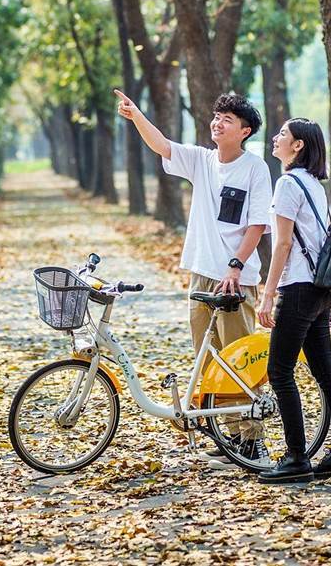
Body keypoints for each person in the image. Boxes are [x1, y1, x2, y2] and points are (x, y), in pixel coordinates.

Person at [115, 88, 272, 468]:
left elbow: (257, 224)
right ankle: (224, 432)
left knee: (239, 358)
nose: (217, 124)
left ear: (245, 131)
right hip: (201, 275)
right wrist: (137, 116)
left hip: (236, 279)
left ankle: (252, 440)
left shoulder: (254, 168)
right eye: (216, 117)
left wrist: (235, 266)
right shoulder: (202, 161)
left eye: (227, 120)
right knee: (208, 357)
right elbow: (163, 146)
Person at [257, 118, 331, 484]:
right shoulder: (314, 185)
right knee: (326, 371)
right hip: (319, 290)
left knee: (280, 372)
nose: (276, 138)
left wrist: (268, 294)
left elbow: (283, 244)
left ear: (297, 146)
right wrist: (325, 304)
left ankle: (296, 457)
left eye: (282, 134)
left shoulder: (287, 183)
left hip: (297, 288)